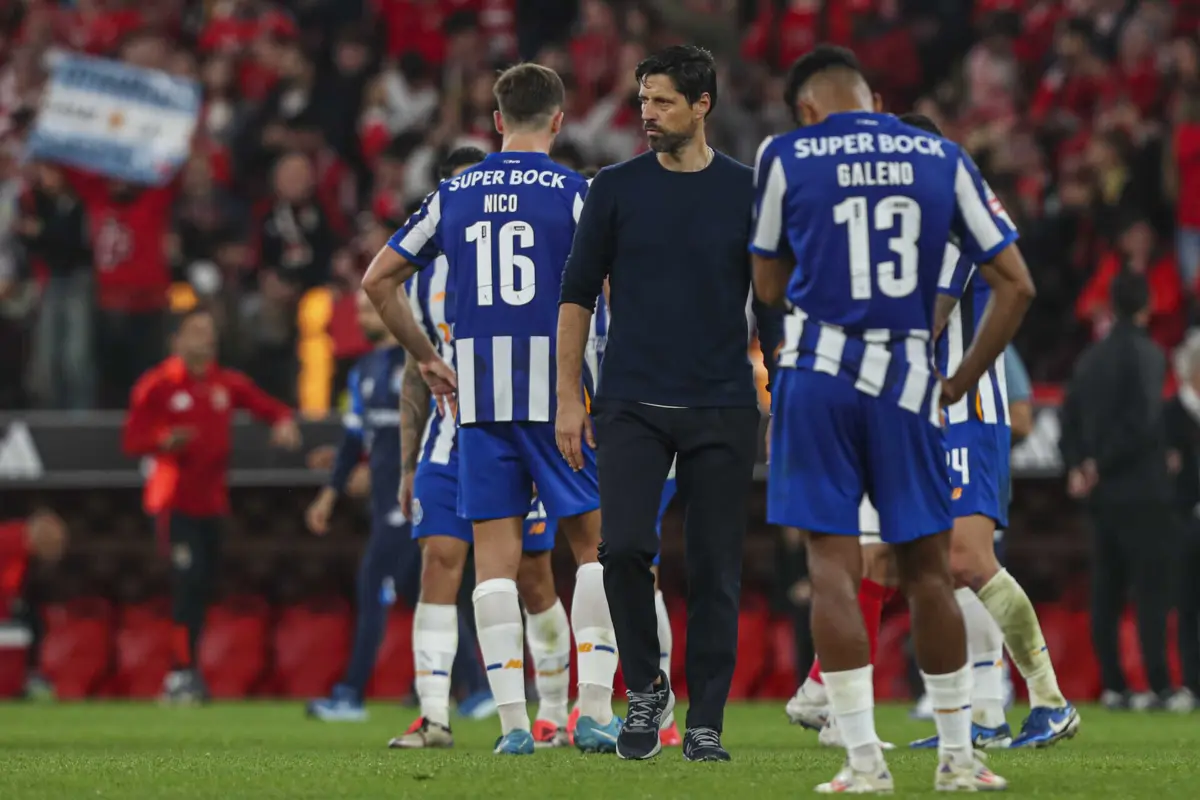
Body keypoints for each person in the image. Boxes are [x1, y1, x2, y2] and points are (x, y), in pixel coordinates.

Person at [751, 47, 1034, 792]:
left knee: (833, 570)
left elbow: (769, 282)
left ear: (807, 108)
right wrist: (964, 376)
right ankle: (958, 758)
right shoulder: (940, 156)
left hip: (817, 376)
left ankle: (864, 762)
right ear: (874, 97)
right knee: (929, 571)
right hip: (910, 378)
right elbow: (1016, 283)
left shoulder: (786, 154)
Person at [792, 113, 1079, 753]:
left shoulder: (943, 209)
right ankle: (980, 713)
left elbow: (933, 315)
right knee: (925, 564)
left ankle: (1051, 701)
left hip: (963, 408)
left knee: (964, 560)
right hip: (934, 407)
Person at [362, 63, 620, 756]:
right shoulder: (579, 193)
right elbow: (616, 294)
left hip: (479, 407)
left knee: (494, 564)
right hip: (563, 401)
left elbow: (378, 280)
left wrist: (424, 354)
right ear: (559, 121)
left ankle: (512, 728)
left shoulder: (453, 194)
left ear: (497, 120)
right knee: (597, 549)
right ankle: (593, 711)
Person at [557, 45, 763, 763]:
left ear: (702, 104)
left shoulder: (747, 189)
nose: (647, 114)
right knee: (622, 551)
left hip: (722, 403)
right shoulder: (614, 186)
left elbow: (769, 302)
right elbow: (575, 296)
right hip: (630, 401)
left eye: (663, 101)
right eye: (644, 100)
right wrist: (567, 400)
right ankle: (644, 687)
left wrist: (784, 388)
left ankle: (705, 720)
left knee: (715, 568)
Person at [388, 146, 571, 749]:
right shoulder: (421, 279)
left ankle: (554, 709)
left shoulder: (533, 251)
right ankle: (433, 714)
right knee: (440, 558)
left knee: (534, 576)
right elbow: (417, 371)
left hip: (521, 419)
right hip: (449, 434)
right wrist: (408, 460)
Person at [123, 308, 301, 704]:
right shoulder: (158, 385)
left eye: (210, 331)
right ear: (177, 341)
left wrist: (283, 421)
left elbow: (269, 406)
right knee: (187, 587)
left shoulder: (226, 383)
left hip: (212, 505)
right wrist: (164, 439)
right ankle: (178, 674)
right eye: (197, 331)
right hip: (173, 502)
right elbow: (132, 439)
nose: (207, 338)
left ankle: (188, 672)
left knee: (201, 588)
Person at [302, 290, 427, 720]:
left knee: (373, 581)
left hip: (409, 500)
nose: (361, 316)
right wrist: (330, 491)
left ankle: (352, 693)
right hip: (383, 500)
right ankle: (475, 689)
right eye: (357, 309)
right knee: (421, 593)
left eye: (369, 307)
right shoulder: (363, 371)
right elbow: (356, 440)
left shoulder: (419, 363)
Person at [1060, 270, 1176, 710]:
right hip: (1141, 491)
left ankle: (1114, 685)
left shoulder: (1090, 359)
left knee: (1105, 593)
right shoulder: (1148, 355)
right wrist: (1098, 465)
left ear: (1110, 305)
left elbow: (1068, 420)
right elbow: (1143, 423)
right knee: (1149, 592)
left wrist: (1079, 466)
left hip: (1101, 497)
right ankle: (1160, 686)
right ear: (1146, 306)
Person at [0, 509, 67, 699]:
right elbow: (8, 587)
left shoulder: (17, 540)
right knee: (29, 624)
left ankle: (27, 677)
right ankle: (26, 678)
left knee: (31, 622)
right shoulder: (12, 544)